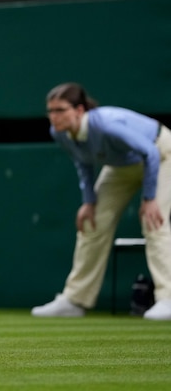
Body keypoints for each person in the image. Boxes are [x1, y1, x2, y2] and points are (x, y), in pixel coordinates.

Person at [32, 83, 171, 321]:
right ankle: (75, 300)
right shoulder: (59, 133)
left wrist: (149, 199)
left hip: (161, 154)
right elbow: (82, 162)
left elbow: (149, 152)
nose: (54, 117)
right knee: (91, 222)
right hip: (121, 166)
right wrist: (89, 201)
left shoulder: (106, 126)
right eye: (50, 111)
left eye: (60, 110)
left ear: (79, 110)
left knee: (153, 221)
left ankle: (167, 298)